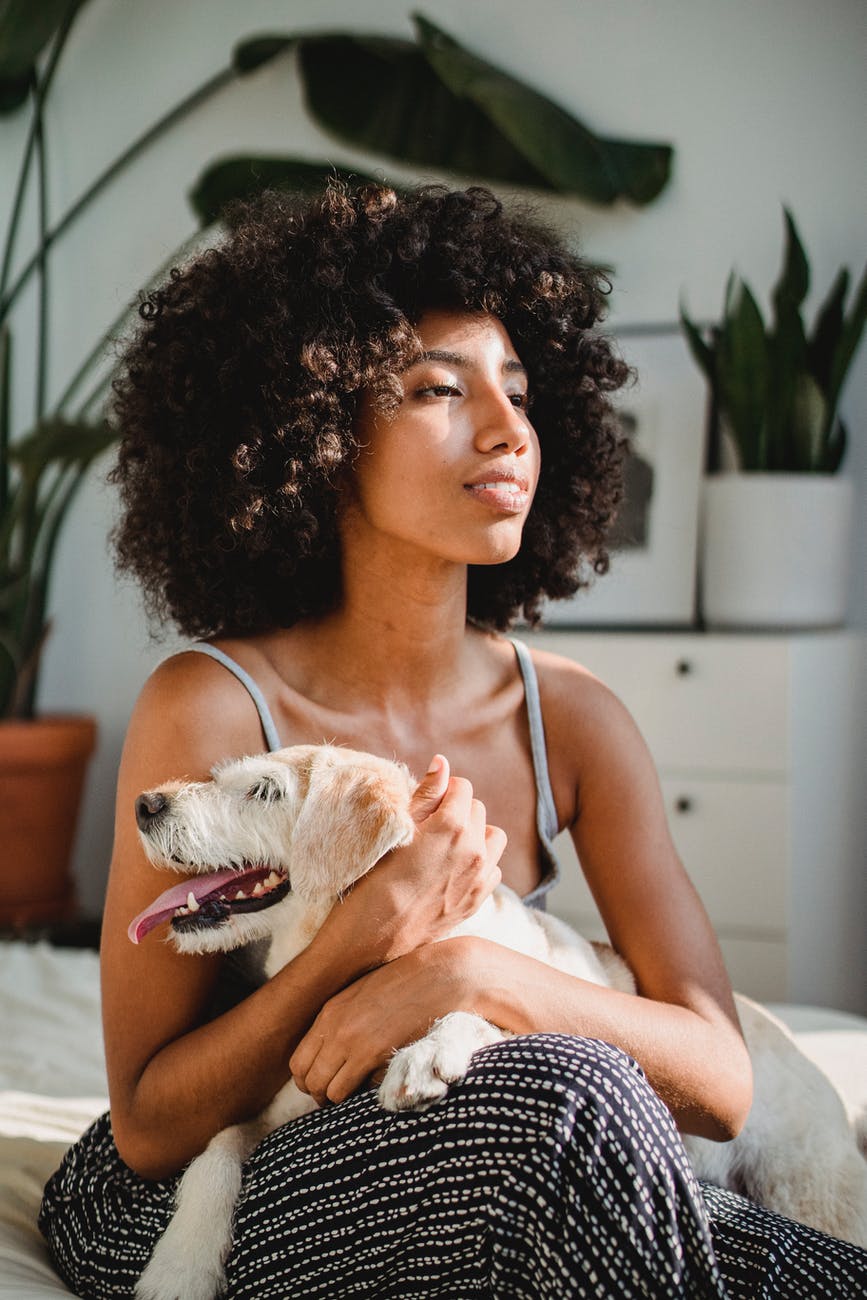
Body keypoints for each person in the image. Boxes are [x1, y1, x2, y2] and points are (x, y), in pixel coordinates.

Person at [40, 183, 866, 1299]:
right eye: (441, 388)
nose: (507, 429)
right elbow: (147, 1122)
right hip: (200, 1182)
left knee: (605, 1145)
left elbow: (722, 1078)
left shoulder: (570, 719)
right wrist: (363, 941)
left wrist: (461, 970)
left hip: (486, 1145)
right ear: (317, 431)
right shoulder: (214, 705)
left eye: (519, 394)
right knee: (575, 1109)